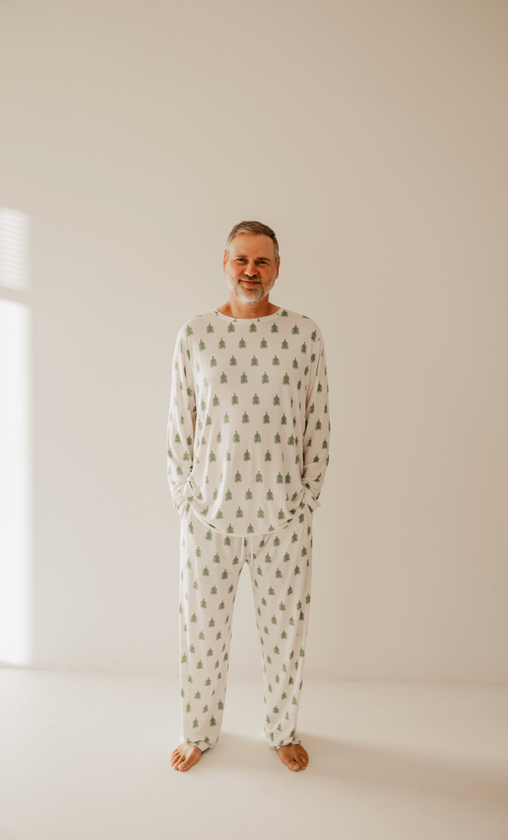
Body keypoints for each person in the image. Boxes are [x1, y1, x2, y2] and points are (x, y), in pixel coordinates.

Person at [166, 221, 330, 772]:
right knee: (200, 634)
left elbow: (317, 422)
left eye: (262, 261)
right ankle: (199, 732)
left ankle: (282, 731)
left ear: (278, 267)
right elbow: (178, 424)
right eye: (241, 260)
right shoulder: (195, 335)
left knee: (286, 635)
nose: (251, 271)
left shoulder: (304, 335)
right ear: (225, 264)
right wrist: (185, 497)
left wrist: (306, 499)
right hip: (208, 518)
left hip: (284, 519)